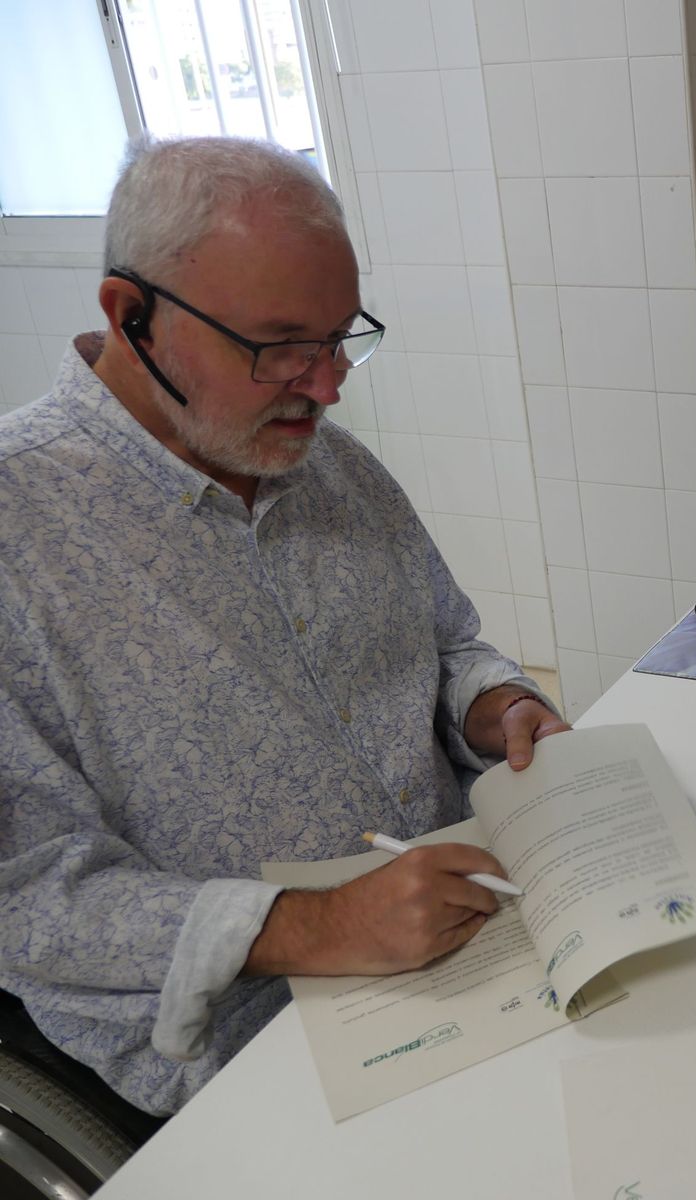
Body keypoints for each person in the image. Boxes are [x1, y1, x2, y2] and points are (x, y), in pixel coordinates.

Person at [0, 136, 568, 1117]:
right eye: (279, 347)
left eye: (342, 338)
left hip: (471, 944)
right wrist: (316, 926)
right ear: (129, 316)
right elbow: (29, 898)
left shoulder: (331, 467)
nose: (329, 385)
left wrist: (494, 701)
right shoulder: (22, 531)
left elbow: (445, 645)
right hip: (250, 1046)